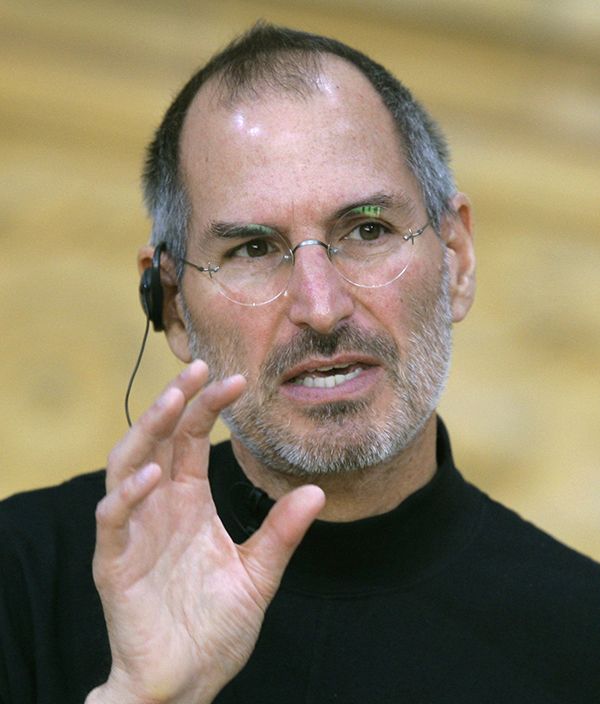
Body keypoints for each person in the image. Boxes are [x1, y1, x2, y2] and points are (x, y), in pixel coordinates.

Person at [1, 23, 599, 704]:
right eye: (253, 250)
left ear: (456, 260)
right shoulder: (22, 580)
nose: (321, 307)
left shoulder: (583, 637)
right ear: (171, 304)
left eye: (368, 230)